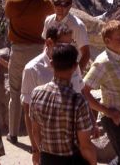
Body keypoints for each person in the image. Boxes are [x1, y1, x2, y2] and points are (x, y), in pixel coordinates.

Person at [81, 20, 120, 165]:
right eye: (119, 38)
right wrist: (108, 112)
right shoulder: (102, 63)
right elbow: (83, 91)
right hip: (117, 119)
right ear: (107, 41)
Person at [22, 25, 85, 163]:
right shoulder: (32, 69)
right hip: (51, 149)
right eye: (64, 44)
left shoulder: (73, 64)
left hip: (77, 143)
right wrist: (35, 149)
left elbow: (81, 92)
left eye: (71, 44)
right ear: (49, 42)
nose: (69, 48)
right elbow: (28, 112)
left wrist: (91, 121)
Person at [4, 0, 54, 144]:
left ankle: (13, 133)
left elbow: (8, 15)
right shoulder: (46, 3)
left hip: (18, 51)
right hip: (38, 53)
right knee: (40, 93)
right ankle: (42, 135)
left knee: (15, 93)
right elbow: (52, 11)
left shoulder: (12, 2)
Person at [29, 44, 97, 165]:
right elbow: (85, 146)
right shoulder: (77, 101)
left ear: (51, 63)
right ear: (75, 66)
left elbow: (35, 132)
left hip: (47, 159)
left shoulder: (36, 93)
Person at [41, 0, 90, 72]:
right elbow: (46, 44)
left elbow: (86, 54)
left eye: (64, 4)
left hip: (69, 69)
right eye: (56, 4)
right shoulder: (48, 21)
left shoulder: (78, 26)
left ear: (70, 6)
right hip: (50, 67)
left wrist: (77, 75)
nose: (59, 7)